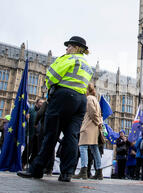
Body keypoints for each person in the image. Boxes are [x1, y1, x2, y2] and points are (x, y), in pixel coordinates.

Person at [17, 36, 93, 182]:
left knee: (50, 134)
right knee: (71, 137)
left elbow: (52, 76)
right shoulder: (87, 65)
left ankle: (37, 169)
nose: (67, 49)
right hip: (80, 100)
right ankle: (67, 173)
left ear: (76, 48)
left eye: (69, 46)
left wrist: (50, 86)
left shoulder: (69, 59)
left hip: (63, 96)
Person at [74, 83, 103, 181]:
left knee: (83, 147)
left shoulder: (89, 99)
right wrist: (99, 123)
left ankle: (83, 171)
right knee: (95, 149)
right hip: (94, 127)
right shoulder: (96, 100)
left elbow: (92, 112)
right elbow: (99, 114)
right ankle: (99, 172)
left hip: (88, 126)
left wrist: (98, 122)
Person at [21, 98, 44, 169]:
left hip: (39, 134)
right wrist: (26, 117)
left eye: (43, 103)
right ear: (36, 103)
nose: (42, 104)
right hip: (31, 133)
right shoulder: (31, 110)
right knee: (28, 150)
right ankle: (23, 163)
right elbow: (23, 119)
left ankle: (31, 165)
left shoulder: (43, 112)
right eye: (40, 102)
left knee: (36, 151)